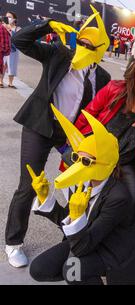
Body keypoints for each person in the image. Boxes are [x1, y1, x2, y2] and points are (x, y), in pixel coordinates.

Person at [4, 6, 111, 268]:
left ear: (100, 49)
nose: (83, 47)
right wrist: (48, 25)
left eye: (90, 44)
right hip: (40, 125)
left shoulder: (103, 77)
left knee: (81, 186)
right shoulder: (58, 54)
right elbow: (20, 41)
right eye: (81, 41)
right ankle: (13, 242)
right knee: (28, 184)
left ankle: (73, 232)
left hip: (70, 136)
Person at [28, 106, 135, 285]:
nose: (78, 166)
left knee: (72, 270)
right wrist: (47, 200)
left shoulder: (119, 196)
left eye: (86, 161)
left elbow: (82, 246)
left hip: (114, 249)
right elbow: (68, 222)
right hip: (89, 238)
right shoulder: (83, 182)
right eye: (77, 158)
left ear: (105, 163)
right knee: (39, 269)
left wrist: (77, 217)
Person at [72, 52, 135, 229]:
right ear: (134, 73)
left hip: (124, 160)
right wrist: (76, 145)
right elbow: (86, 116)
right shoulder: (114, 89)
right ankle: (77, 231)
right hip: (95, 153)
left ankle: (125, 238)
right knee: (84, 196)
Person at [3, 11, 20, 88]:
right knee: (2, 65)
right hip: (3, 49)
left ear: (14, 19)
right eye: (7, 17)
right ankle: (0, 81)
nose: (8, 18)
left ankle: (10, 83)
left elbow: (17, 38)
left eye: (10, 17)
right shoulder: (2, 26)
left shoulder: (18, 28)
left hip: (13, 50)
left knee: (12, 66)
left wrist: (10, 29)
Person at [0, 16, 10, 88]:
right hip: (5, 50)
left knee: (3, 66)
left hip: (5, 51)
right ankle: (1, 81)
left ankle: (1, 81)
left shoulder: (4, 28)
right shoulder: (4, 28)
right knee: (3, 65)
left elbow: (5, 40)